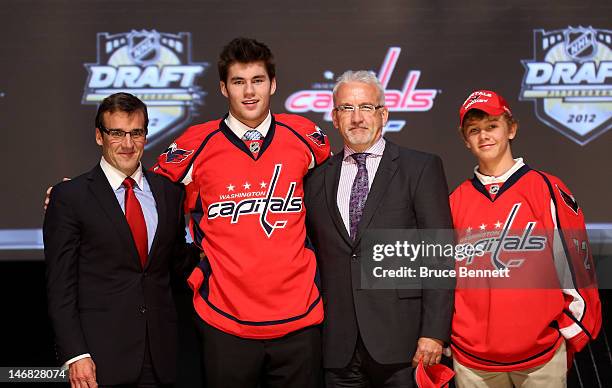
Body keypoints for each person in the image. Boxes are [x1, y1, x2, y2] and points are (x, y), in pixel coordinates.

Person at [152, 37, 330, 387]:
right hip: (224, 320)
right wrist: (78, 193)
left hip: (300, 319)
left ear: (273, 84)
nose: (249, 92)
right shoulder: (195, 143)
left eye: (258, 80)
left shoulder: (306, 135)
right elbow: (145, 196)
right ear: (223, 88)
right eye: (238, 82)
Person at [303, 70, 454, 388]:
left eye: (366, 107)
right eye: (346, 108)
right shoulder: (316, 179)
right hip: (338, 345)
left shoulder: (420, 167)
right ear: (334, 116)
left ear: (383, 114)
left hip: (405, 343)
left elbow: (439, 254)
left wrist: (434, 332)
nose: (356, 118)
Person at [44, 93, 198, 387]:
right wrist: (75, 355)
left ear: (145, 134)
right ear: (99, 136)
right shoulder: (70, 198)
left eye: (136, 133)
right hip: (98, 360)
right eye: (117, 133)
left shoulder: (169, 193)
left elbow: (176, 263)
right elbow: (60, 287)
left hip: (159, 357)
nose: (128, 144)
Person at [449, 90, 602, 387]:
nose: (484, 136)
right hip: (472, 361)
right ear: (465, 139)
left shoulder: (547, 188)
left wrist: (571, 329)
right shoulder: (455, 199)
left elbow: (576, 265)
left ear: (511, 128)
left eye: (492, 125)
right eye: (474, 130)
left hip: (540, 357)